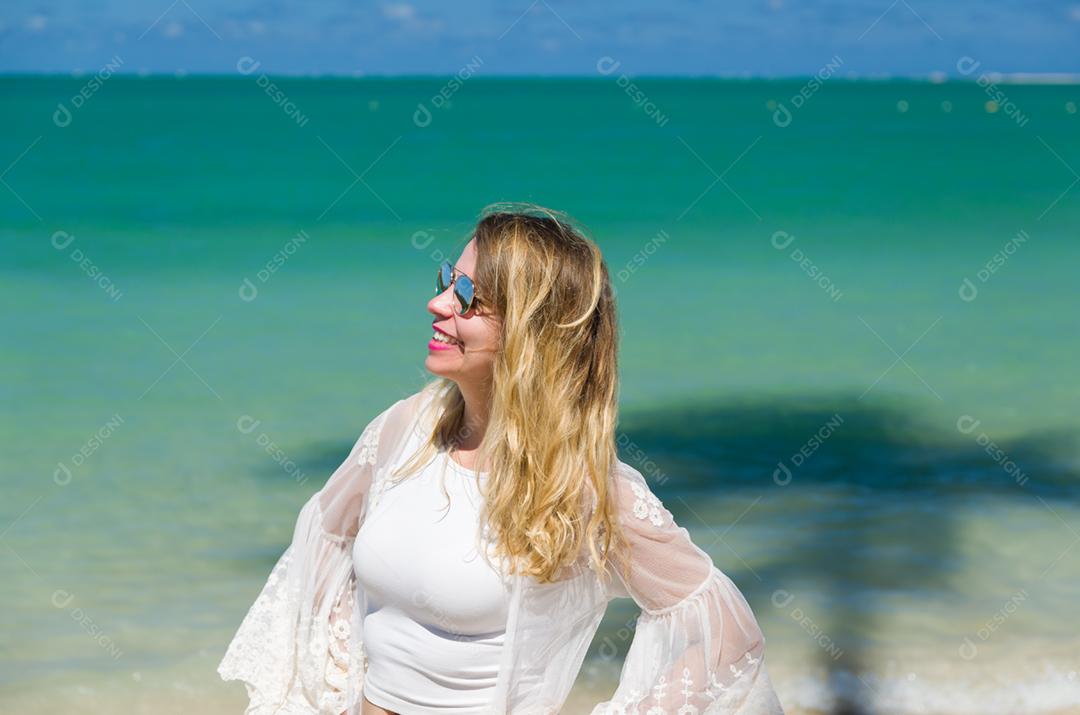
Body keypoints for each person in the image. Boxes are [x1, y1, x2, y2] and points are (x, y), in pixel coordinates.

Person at [217, 203, 785, 714]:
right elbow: (325, 540)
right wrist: (334, 684)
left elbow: (728, 632)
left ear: (529, 333)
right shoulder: (405, 428)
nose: (437, 303)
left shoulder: (585, 487)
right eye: (448, 279)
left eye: (468, 297)